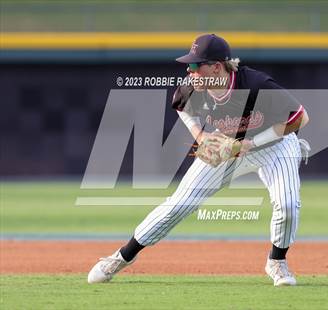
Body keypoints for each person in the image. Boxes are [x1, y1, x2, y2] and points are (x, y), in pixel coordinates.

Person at [87, 34, 309, 286]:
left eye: (195, 65)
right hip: (224, 146)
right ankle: (121, 257)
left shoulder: (256, 84)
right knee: (179, 205)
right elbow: (181, 106)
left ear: (216, 66)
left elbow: (300, 118)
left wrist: (250, 144)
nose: (189, 71)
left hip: (274, 146)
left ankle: (277, 262)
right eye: (188, 66)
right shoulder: (193, 87)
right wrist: (201, 136)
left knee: (287, 203)